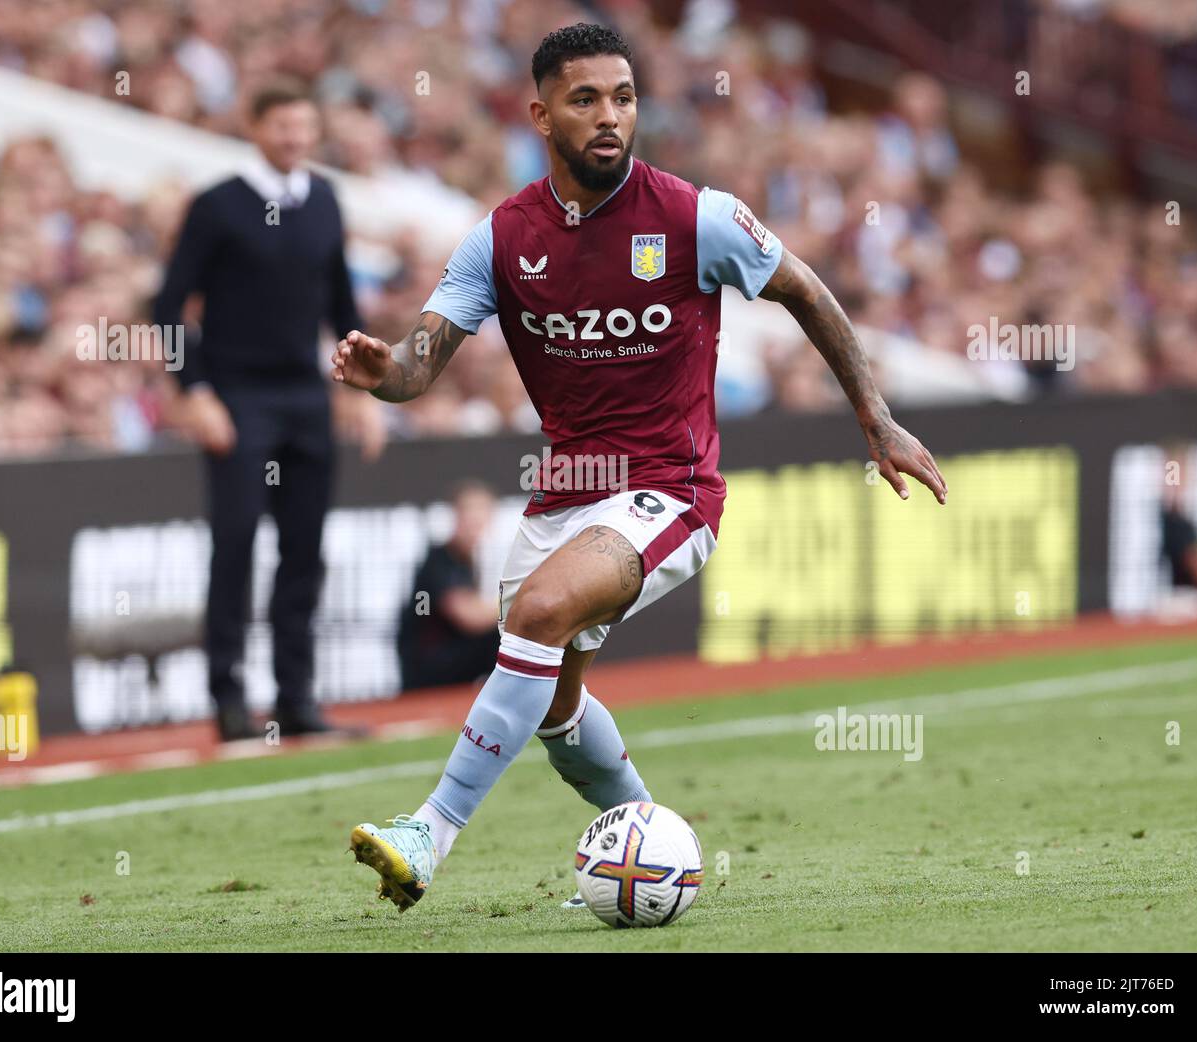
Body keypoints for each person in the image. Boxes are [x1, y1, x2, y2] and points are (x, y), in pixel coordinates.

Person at [331, 23, 947, 911]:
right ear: (539, 114)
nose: (611, 116)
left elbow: (805, 289)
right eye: (586, 100)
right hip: (565, 496)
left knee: (539, 612)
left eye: (623, 97)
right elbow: (419, 365)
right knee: (550, 706)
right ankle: (657, 841)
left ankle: (427, 833)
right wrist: (382, 371)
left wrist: (875, 416)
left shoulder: (695, 217)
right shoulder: (500, 241)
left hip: (672, 488)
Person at [155, 80, 359, 741]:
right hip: (237, 397)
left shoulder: (325, 199)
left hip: (305, 397)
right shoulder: (218, 205)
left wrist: (366, 392)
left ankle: (296, 699)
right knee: (235, 545)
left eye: (305, 126)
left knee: (305, 549)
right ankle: (229, 702)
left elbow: (342, 306)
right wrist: (196, 391)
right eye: (282, 127)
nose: (295, 139)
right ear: (253, 127)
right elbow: (167, 305)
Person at [397, 481, 501, 689]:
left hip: (447, 659)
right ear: (456, 515)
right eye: (470, 512)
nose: (476, 520)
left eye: (482, 512)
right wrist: (517, 605)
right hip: (427, 666)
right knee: (502, 635)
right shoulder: (441, 559)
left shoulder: (467, 561)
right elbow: (468, 616)